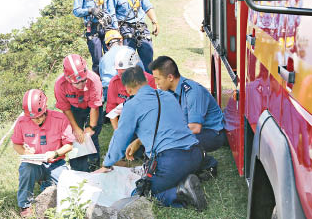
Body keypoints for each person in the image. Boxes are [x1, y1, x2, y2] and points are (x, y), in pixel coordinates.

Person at [95, 66, 207, 210]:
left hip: (172, 161)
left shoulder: (132, 105)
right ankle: (194, 174)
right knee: (171, 173)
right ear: (146, 81)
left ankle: (180, 191)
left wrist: (106, 165)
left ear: (128, 89)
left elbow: (120, 137)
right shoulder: (167, 96)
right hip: (197, 153)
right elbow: (168, 125)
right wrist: (139, 140)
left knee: (142, 191)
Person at [148, 56, 226, 178]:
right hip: (194, 130)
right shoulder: (169, 92)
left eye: (158, 79)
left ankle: (209, 165)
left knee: (176, 143)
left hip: (213, 133)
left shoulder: (192, 92)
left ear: (170, 77)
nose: (156, 83)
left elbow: (195, 128)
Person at [11, 89, 75, 217]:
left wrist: (55, 153)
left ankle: (46, 183)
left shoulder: (60, 118)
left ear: (45, 108)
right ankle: (24, 205)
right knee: (26, 169)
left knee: (67, 191)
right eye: (33, 118)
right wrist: (26, 153)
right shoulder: (22, 122)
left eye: (40, 116)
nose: (37, 120)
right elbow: (16, 144)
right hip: (34, 164)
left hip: (56, 163)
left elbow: (69, 145)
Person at [54, 54, 103, 172]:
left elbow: (94, 107)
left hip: (92, 107)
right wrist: (76, 128)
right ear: (68, 79)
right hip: (73, 108)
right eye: (77, 83)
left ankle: (94, 162)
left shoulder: (94, 79)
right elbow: (65, 109)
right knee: (75, 136)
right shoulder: (59, 85)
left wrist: (90, 127)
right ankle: (78, 168)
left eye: (84, 80)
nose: (82, 85)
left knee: (92, 135)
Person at [112, 0, 160, 73]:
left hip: (141, 29)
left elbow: (148, 7)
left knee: (149, 63)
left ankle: (150, 87)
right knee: (128, 64)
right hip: (126, 31)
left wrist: (155, 22)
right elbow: (112, 15)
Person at [73, 0, 118, 75]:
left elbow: (112, 12)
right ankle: (100, 88)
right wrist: (90, 10)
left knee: (113, 58)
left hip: (107, 28)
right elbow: (76, 11)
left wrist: (116, 29)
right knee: (98, 62)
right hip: (93, 31)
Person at [106, 46, 156, 130]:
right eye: (118, 72)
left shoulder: (149, 80)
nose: (121, 77)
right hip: (124, 122)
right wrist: (118, 132)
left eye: (123, 73)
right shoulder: (114, 82)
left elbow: (153, 109)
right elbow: (111, 110)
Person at [99, 30, 124, 102]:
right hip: (127, 89)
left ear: (107, 46)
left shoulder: (103, 59)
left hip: (108, 91)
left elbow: (102, 76)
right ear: (121, 41)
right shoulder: (130, 52)